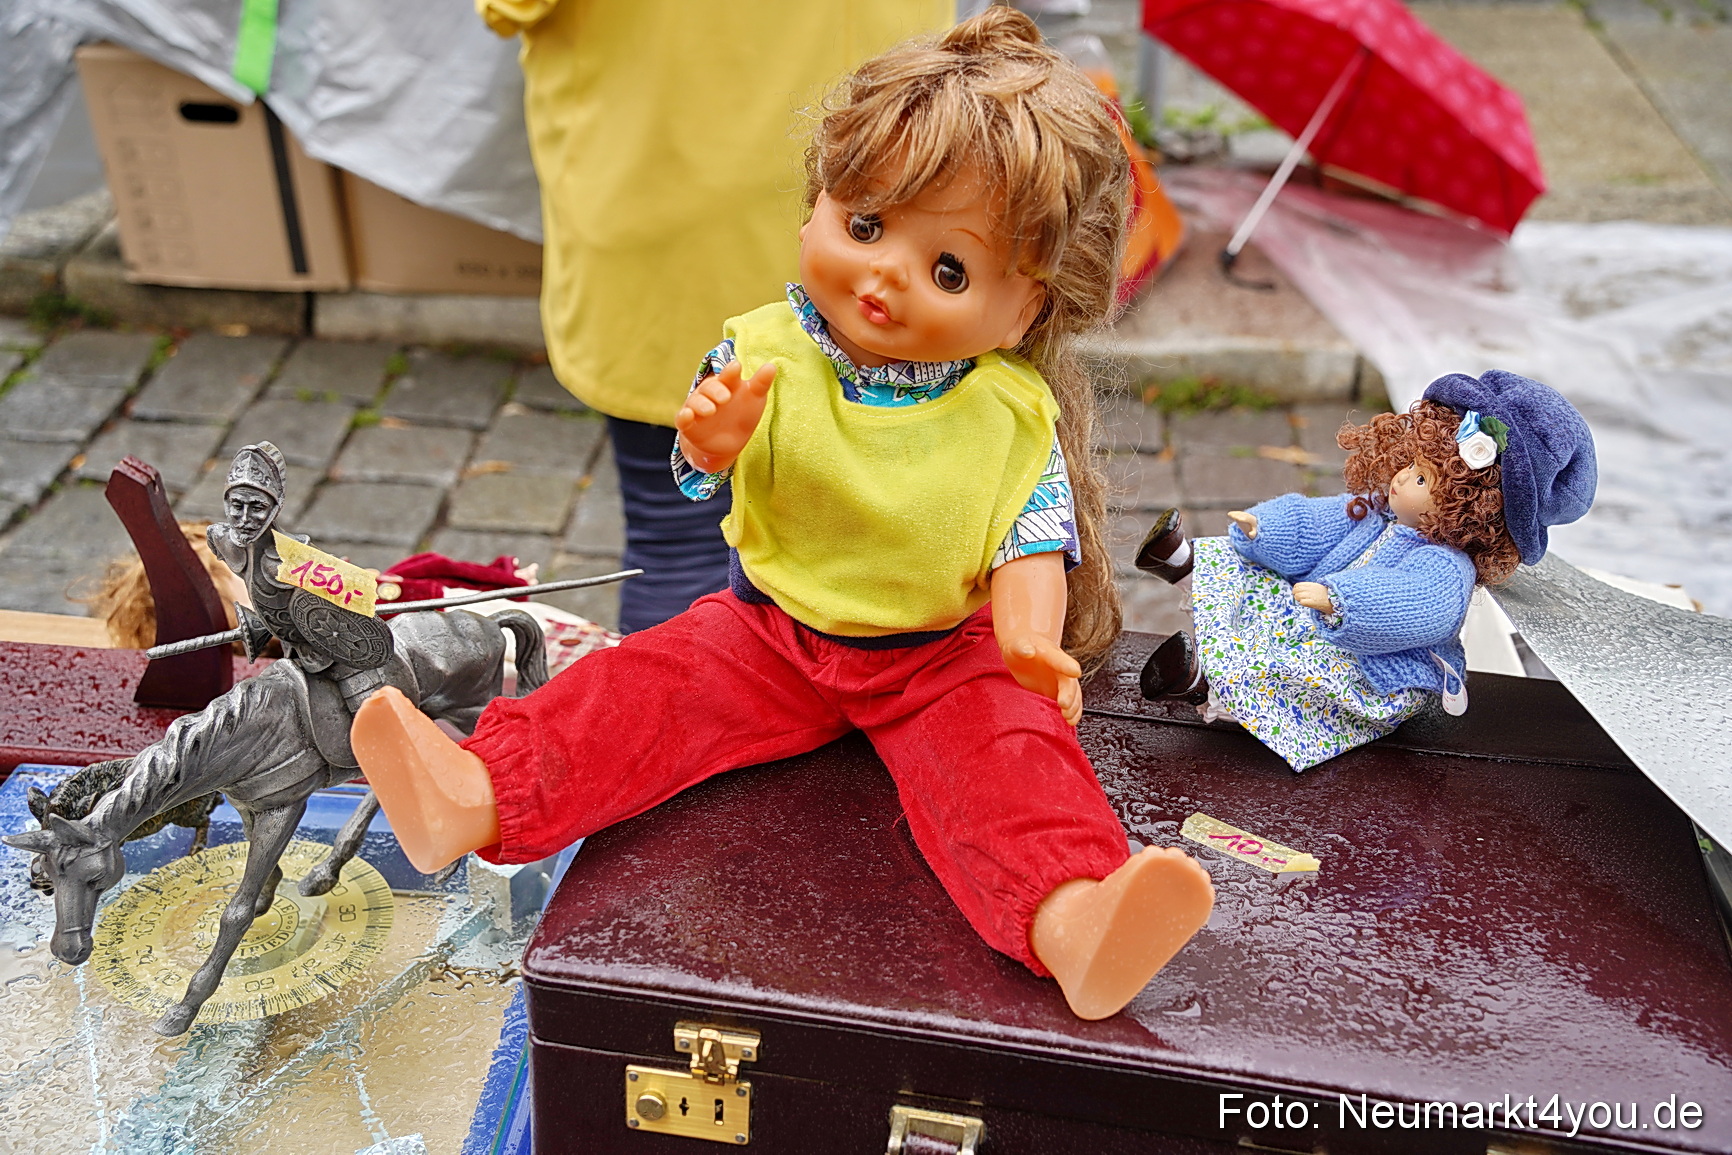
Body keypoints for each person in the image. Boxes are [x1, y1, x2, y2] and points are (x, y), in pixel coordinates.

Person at [353, 9, 1216, 1022]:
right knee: (637, 690)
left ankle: (1074, 921)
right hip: (770, 633)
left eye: (950, 269)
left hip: (941, 657)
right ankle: (476, 791)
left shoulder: (1009, 414)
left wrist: (1028, 641)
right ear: (816, 203)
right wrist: (711, 444)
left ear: (1027, 308)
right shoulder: (765, 350)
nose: (887, 273)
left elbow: (1029, 536)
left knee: (1012, 764)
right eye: (864, 225)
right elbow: (693, 479)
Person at [478, 0, 949, 631]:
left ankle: (668, 725)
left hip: (664, 211)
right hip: (900, 210)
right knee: (889, 550)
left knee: (674, 541)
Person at [1137, 370, 1598, 770]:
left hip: (1368, 661)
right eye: (1412, 463)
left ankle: (1203, 686)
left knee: (1301, 672)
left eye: (1422, 480)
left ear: (1471, 512)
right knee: (1256, 574)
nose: (1400, 478)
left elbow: (1413, 607)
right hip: (1310, 608)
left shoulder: (1446, 570)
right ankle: (1183, 564)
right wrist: (1268, 529)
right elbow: (1322, 523)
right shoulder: (1380, 511)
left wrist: (1342, 601)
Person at [206, 443, 394, 713]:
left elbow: (339, 606)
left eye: (257, 507)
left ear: (275, 507)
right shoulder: (221, 540)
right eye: (237, 505)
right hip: (287, 650)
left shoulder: (297, 558)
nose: (245, 518)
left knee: (366, 712)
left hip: (324, 653)